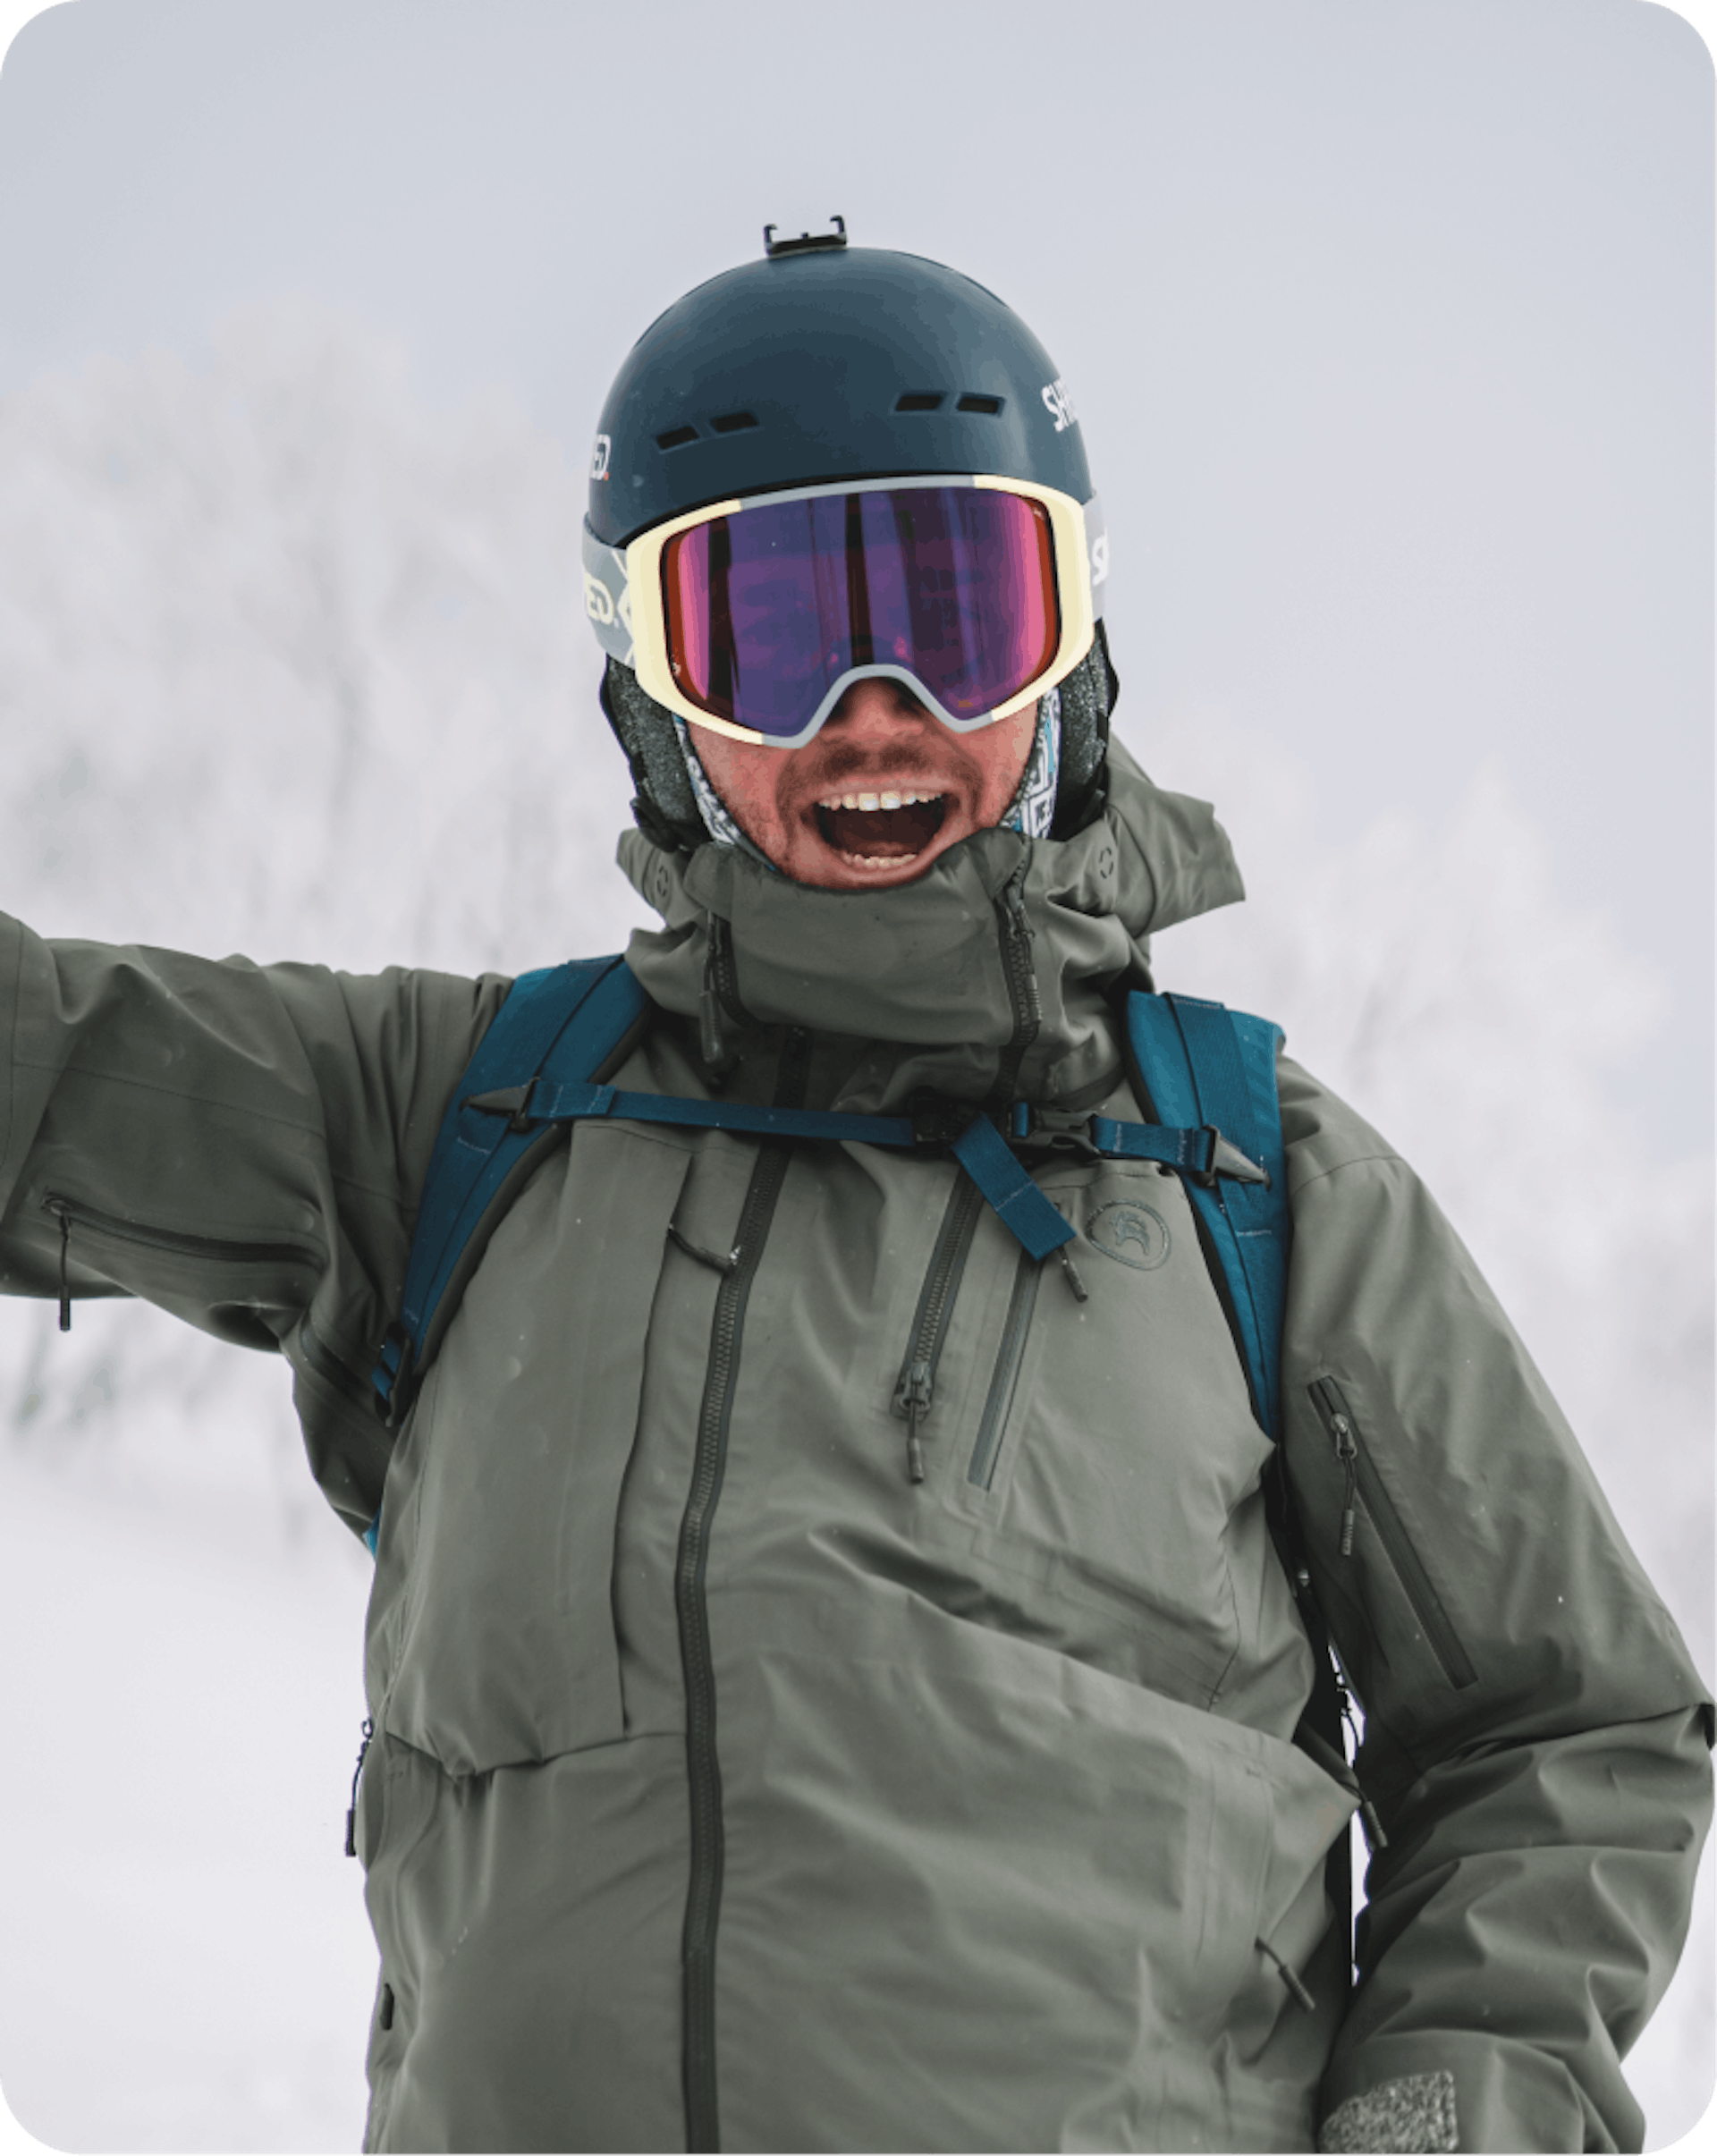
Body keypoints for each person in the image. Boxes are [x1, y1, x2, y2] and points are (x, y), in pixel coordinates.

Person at [0, 227, 1708, 2156]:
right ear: (654, 694)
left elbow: (1570, 1721)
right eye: (777, 625)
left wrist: (1453, 2096)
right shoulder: (456, 1121)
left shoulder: (1254, 1174)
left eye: (959, 612)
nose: (874, 705)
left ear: (1071, 647)